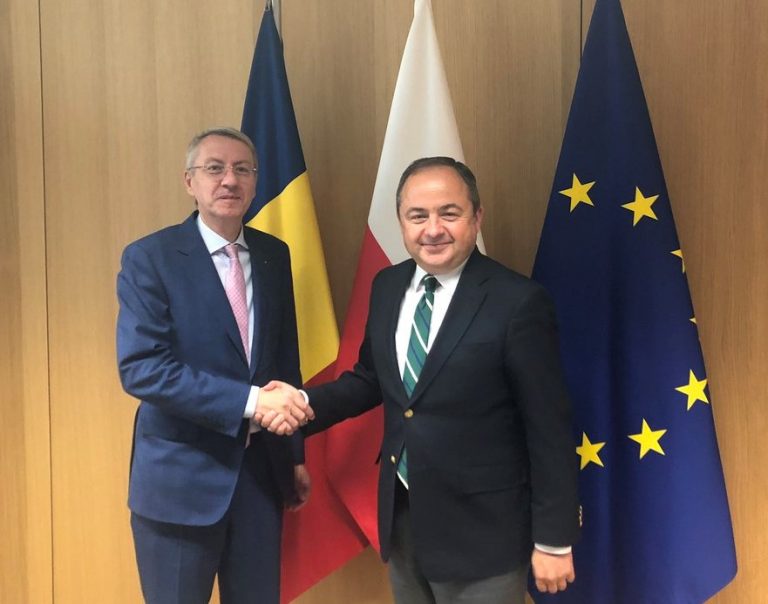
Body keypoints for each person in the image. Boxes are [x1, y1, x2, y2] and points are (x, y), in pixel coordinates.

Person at [262, 156, 580, 604]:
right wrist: (298, 404)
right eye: (418, 216)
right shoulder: (388, 286)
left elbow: (548, 427)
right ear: (401, 222)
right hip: (404, 523)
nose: (433, 229)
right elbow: (371, 380)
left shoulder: (518, 302)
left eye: (449, 213)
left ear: (476, 217)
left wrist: (554, 540)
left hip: (485, 534)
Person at [116, 127, 313, 604]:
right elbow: (143, 368)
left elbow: (284, 360)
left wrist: (294, 456)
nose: (229, 180)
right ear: (190, 181)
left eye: (243, 169)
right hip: (179, 484)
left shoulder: (273, 255)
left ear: (255, 182)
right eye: (214, 168)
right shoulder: (150, 258)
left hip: (260, 480)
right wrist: (251, 402)